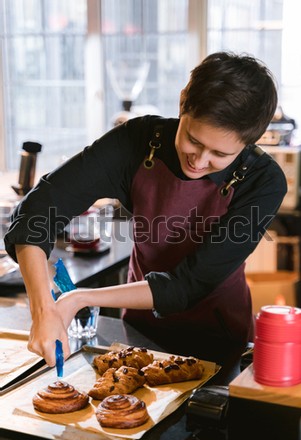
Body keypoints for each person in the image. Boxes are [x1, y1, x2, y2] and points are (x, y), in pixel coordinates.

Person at [4, 51, 287, 368]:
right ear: (183, 103)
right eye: (192, 140)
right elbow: (36, 213)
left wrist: (81, 297)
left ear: (251, 140)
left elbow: (188, 285)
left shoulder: (264, 182)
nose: (199, 160)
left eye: (219, 154)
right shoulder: (137, 141)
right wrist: (43, 309)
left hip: (218, 340)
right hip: (138, 333)